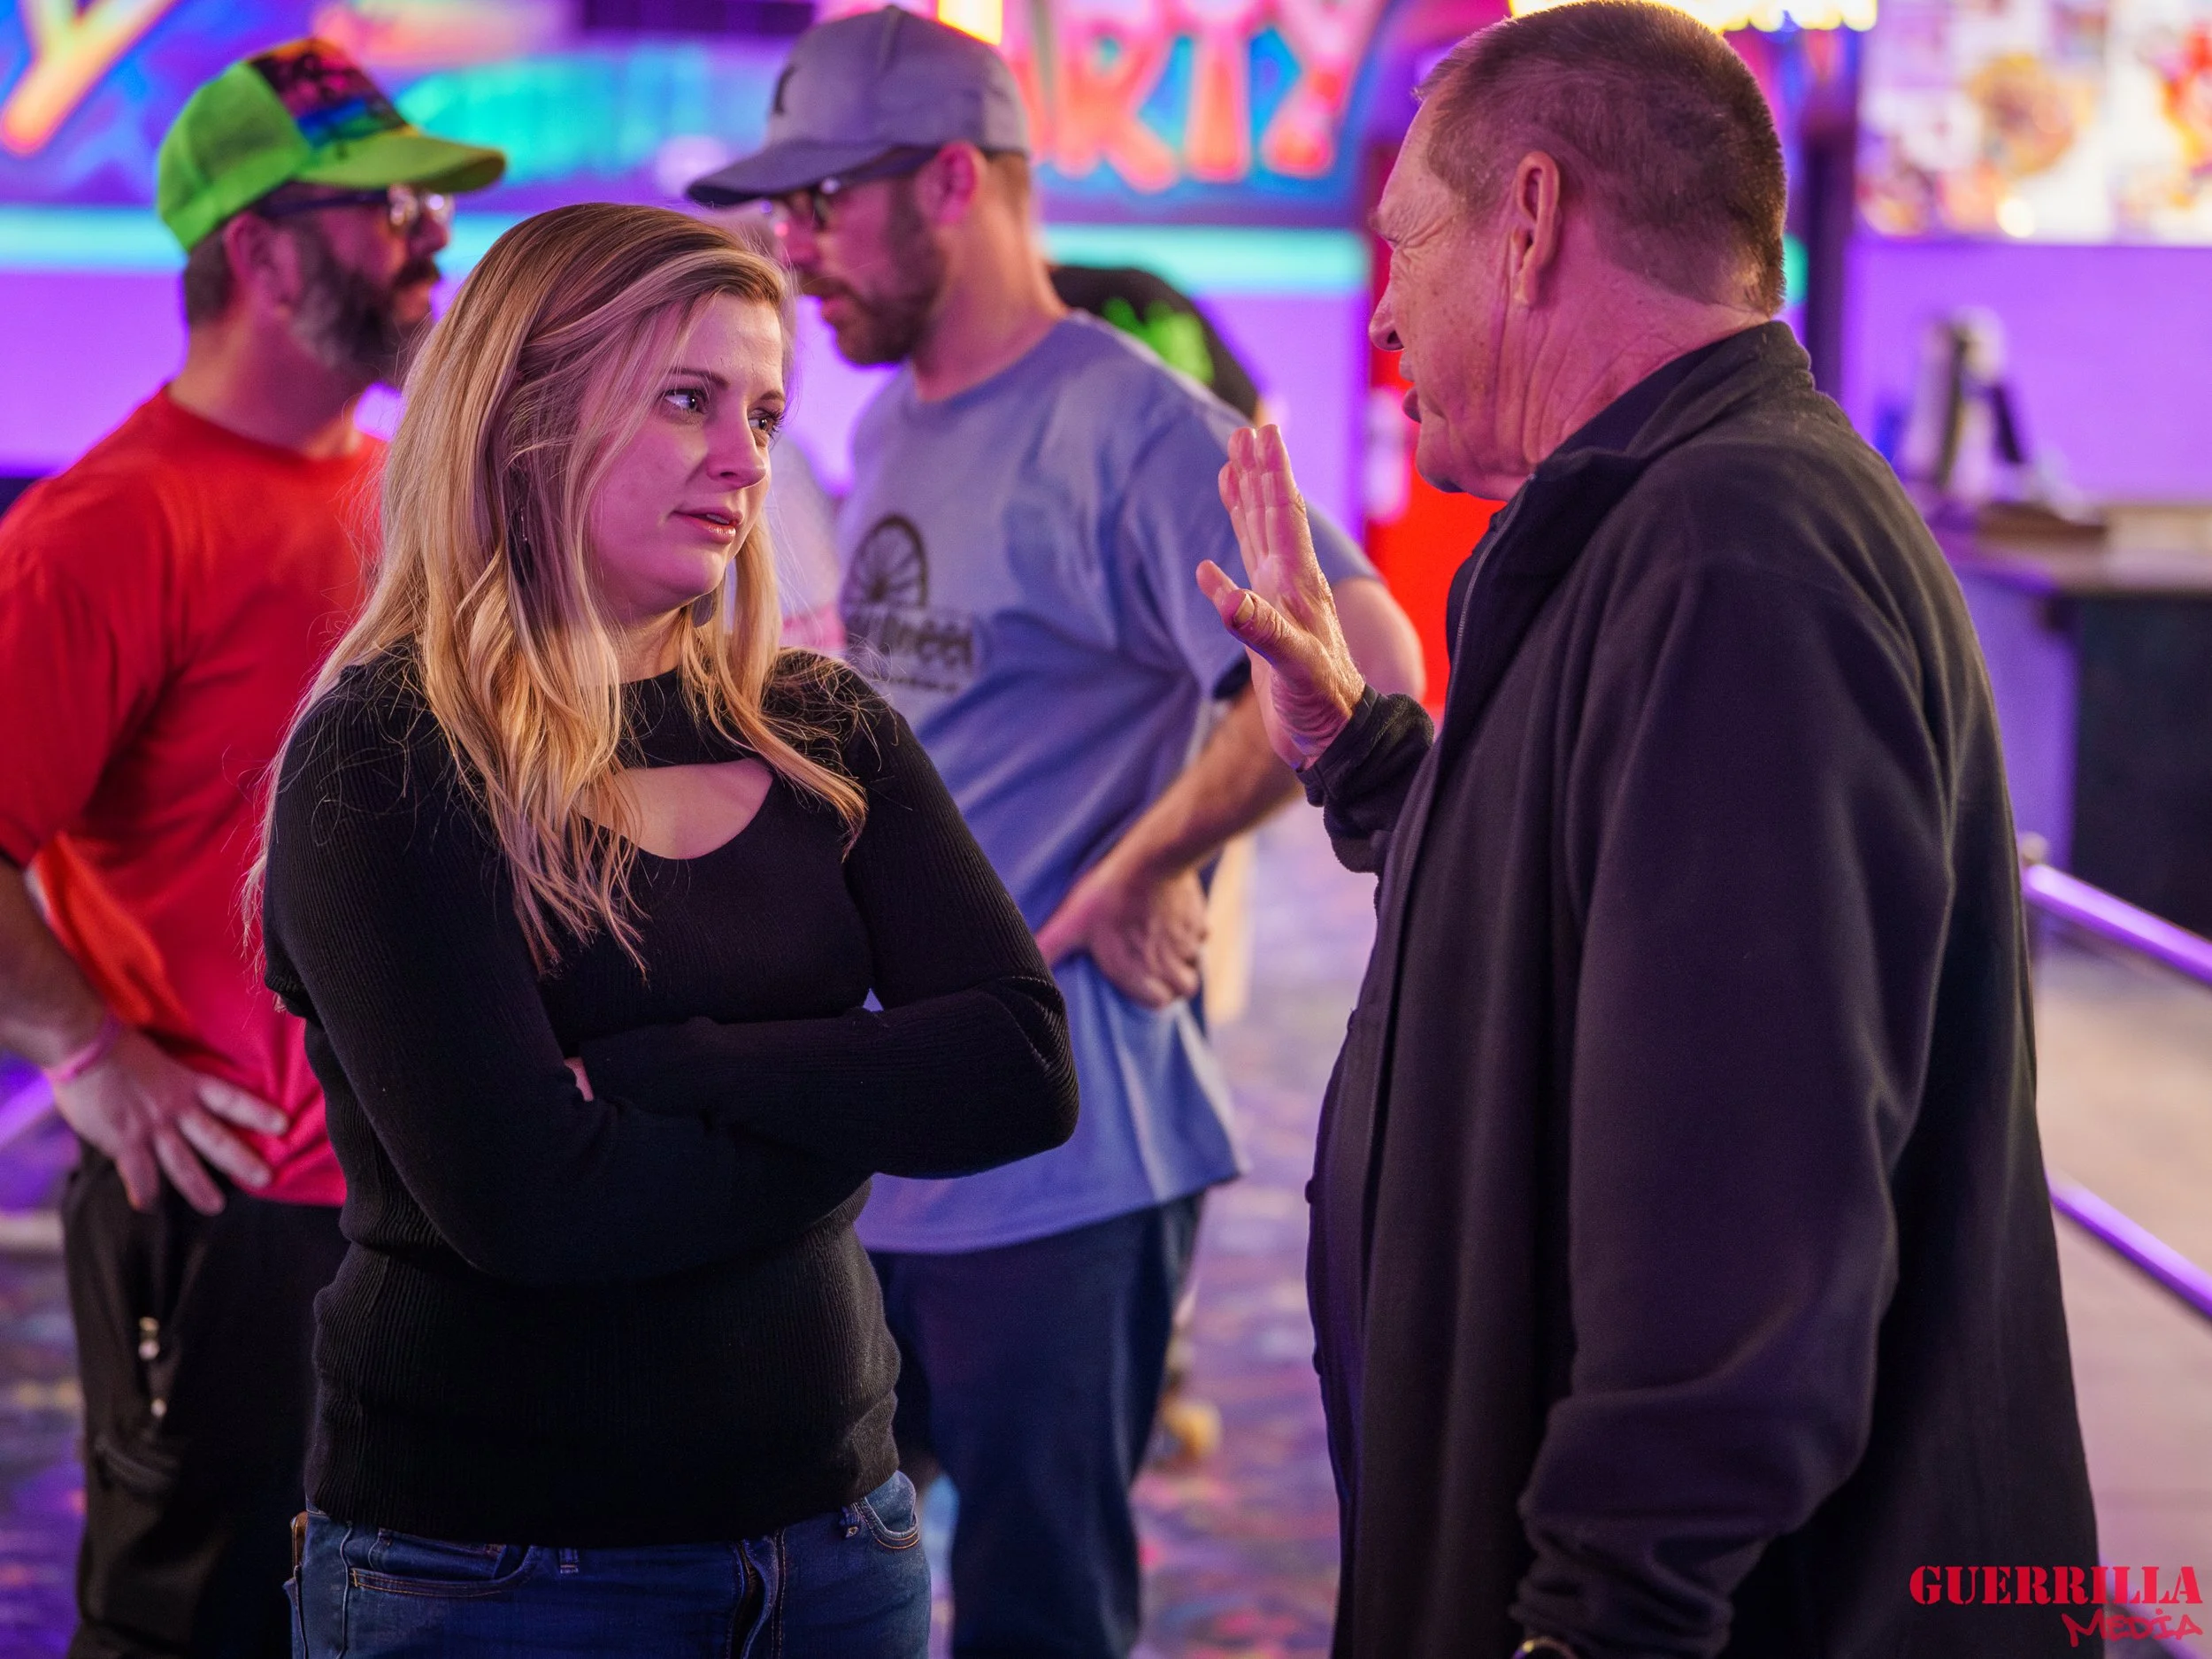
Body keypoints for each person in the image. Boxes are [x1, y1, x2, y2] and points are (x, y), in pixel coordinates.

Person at [1198, 4, 2100, 1655]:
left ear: (1531, 220)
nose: (1386, 308)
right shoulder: (1672, 520)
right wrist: (1369, 759)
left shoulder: (1735, 555)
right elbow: (1592, 922)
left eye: (1407, 241)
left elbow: (1748, 1186)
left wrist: (1605, 1615)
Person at [687, 12, 1422, 1656]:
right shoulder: (895, 418)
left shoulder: (1130, 419)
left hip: (1064, 1160)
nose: (795, 250)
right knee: (825, 1574)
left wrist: (1149, 860)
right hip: (886, 1144)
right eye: (784, 211)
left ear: (955, 182)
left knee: (1036, 1608)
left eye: (824, 205)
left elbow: (1366, 654)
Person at [260, 203, 1078, 1658]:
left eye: (763, 411)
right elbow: (537, 1210)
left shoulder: (823, 726)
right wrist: (871, 1080)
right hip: (493, 1566)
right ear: (521, 416)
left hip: (840, 1535)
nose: (746, 458)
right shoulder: (391, 752)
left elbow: (1020, 1072)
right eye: (688, 399)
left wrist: (681, 1065)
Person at [0, 40, 502, 1658]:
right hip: (227, 1209)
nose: (427, 229)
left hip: (418, 1188)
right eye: (380, 203)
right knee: (199, 1621)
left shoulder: (400, 496)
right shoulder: (108, 526)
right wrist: (86, 1050)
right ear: (262, 251)